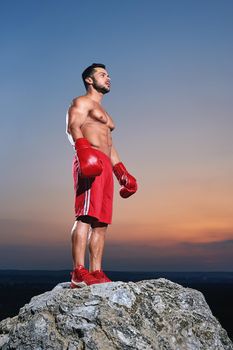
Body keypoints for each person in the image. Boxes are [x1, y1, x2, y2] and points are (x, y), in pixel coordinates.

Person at [66, 63, 137, 288]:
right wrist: (84, 153)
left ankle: (96, 272)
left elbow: (110, 144)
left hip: (105, 164)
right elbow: (72, 127)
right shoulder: (81, 102)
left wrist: (121, 172)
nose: (108, 78)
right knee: (85, 215)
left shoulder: (105, 113)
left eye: (108, 75)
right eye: (102, 75)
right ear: (89, 80)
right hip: (89, 159)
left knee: (101, 223)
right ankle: (78, 271)